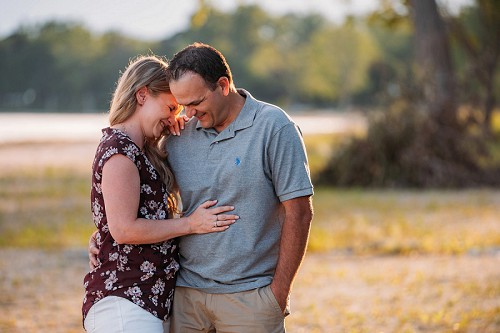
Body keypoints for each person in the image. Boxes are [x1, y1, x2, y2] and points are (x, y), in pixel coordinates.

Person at [90, 43, 314, 332]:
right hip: (184, 297)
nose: (189, 113)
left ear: (223, 85)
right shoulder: (177, 136)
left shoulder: (274, 127)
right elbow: (138, 196)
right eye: (181, 105)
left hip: (250, 298)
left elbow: (300, 213)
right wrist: (105, 234)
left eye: (194, 103)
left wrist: (277, 295)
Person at [82, 54, 239, 333]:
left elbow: (118, 224)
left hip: (146, 300)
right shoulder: (120, 151)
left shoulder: (142, 151)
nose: (173, 117)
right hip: (125, 300)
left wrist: (176, 134)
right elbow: (124, 229)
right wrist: (191, 224)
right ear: (142, 95)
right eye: (169, 108)